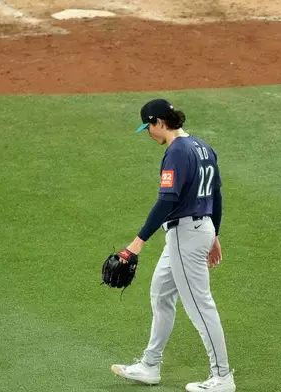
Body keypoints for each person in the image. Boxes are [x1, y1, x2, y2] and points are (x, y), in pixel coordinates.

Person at [110, 98, 236, 392]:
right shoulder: (203, 147)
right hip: (199, 229)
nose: (149, 134)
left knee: (200, 305)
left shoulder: (177, 151)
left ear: (159, 122)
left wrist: (137, 243)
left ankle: (222, 377)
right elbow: (216, 195)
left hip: (186, 236)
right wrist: (213, 234)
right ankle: (149, 365)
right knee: (161, 293)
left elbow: (167, 200)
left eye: (148, 128)